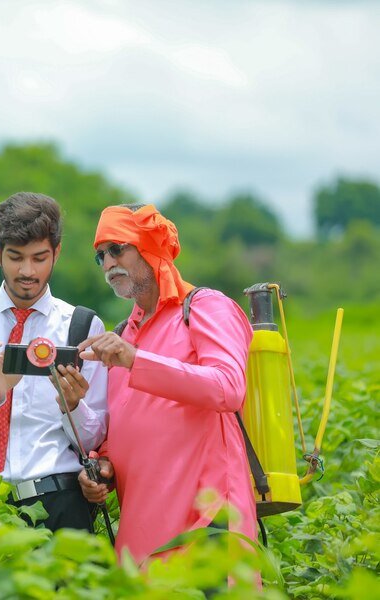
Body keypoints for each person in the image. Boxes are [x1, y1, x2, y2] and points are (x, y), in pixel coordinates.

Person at [77, 203, 257, 563]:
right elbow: (127, 424)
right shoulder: (123, 334)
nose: (109, 263)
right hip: (140, 533)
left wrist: (135, 360)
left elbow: (228, 387)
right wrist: (103, 465)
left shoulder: (204, 307)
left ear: (149, 246)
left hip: (205, 523)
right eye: (101, 256)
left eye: (117, 249)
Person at [0, 192, 108, 532]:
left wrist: (72, 406)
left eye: (40, 258)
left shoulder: (83, 326)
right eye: (16, 257)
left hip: (60, 501)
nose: (28, 271)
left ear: (57, 253)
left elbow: (95, 437)